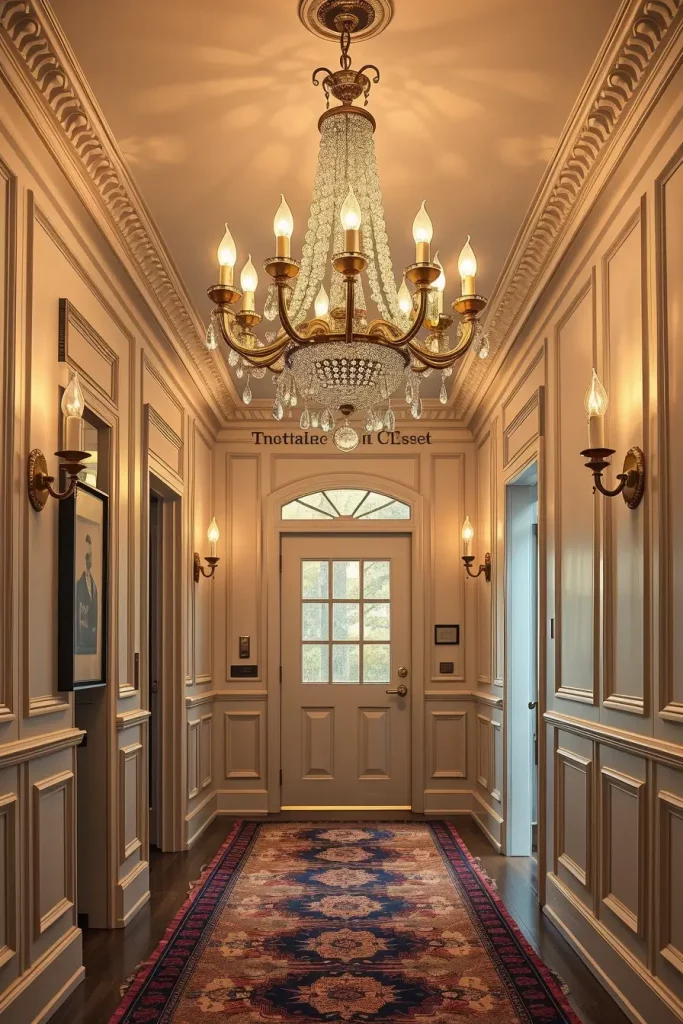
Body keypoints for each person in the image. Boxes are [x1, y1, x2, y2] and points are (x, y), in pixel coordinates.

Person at [76, 533, 98, 654]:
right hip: (83, 638)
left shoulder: (94, 583)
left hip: (93, 638)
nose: (90, 559)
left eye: (91, 555)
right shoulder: (79, 585)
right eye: (88, 556)